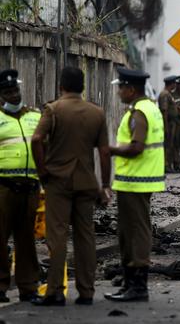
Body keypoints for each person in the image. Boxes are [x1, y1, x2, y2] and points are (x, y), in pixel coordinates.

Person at [30, 67, 111, 306]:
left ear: (61, 86)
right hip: (86, 183)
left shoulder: (53, 110)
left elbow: (36, 140)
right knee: (86, 237)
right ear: (83, 86)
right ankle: (86, 291)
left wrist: (42, 170)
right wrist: (105, 184)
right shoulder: (97, 113)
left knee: (57, 236)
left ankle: (55, 290)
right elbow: (105, 152)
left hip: (58, 182)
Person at [105, 68, 165, 302]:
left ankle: (138, 286)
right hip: (139, 180)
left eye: (121, 87)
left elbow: (137, 147)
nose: (119, 92)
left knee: (136, 232)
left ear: (131, 89)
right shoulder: (150, 108)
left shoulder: (139, 112)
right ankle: (130, 283)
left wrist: (108, 150)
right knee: (127, 231)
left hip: (135, 181)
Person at [0, 69, 40, 304]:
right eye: (8, 92)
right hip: (4, 188)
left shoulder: (34, 116)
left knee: (26, 240)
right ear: (1, 96)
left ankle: (28, 287)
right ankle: (1, 285)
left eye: (15, 90)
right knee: (0, 239)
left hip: (30, 188)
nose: (14, 95)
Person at [159, 76, 180, 173]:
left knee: (170, 145)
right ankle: (166, 166)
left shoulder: (169, 94)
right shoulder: (165, 94)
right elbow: (164, 111)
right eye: (174, 83)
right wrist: (166, 126)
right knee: (167, 145)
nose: (175, 85)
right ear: (171, 84)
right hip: (168, 123)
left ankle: (169, 165)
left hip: (172, 122)